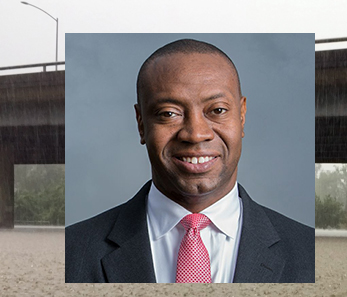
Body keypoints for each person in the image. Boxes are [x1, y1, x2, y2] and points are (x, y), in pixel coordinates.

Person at [65, 39, 313, 283]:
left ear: (242, 116)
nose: (195, 134)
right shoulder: (71, 252)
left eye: (217, 110)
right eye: (169, 113)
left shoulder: (309, 252)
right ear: (141, 124)